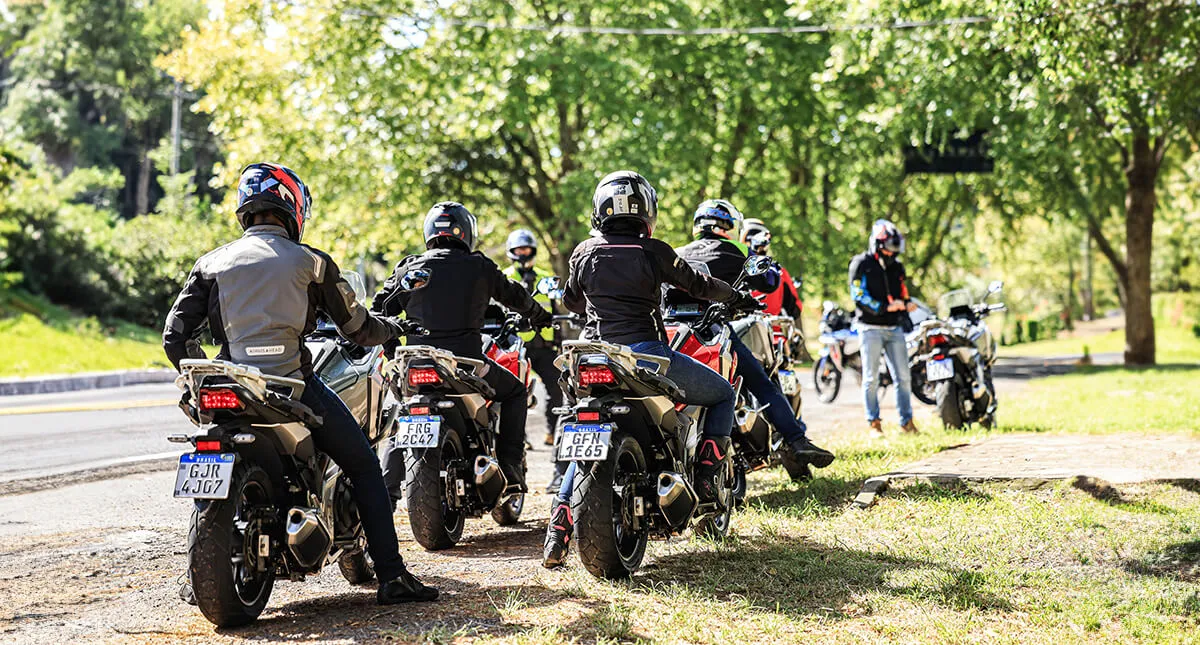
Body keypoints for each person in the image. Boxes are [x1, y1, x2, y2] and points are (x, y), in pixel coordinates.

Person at [162, 162, 437, 605]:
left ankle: (196, 576)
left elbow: (174, 337)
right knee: (366, 465)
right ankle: (391, 577)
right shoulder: (312, 262)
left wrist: (203, 371)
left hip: (228, 384)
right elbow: (357, 329)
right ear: (292, 208)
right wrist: (391, 328)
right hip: (293, 385)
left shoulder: (210, 263)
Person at [542, 171, 756, 569]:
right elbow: (699, 285)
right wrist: (734, 294)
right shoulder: (654, 251)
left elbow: (571, 301)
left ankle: (559, 521)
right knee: (724, 393)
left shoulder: (582, 252)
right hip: (647, 355)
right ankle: (709, 475)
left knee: (585, 439)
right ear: (646, 210)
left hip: (592, 356)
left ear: (599, 210)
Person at [373, 203, 553, 495]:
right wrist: (539, 314)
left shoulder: (410, 267)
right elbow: (514, 294)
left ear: (429, 232)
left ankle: (387, 493)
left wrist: (393, 350)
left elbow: (379, 311)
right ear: (468, 232)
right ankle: (510, 466)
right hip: (466, 364)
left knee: (401, 411)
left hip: (415, 365)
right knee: (516, 391)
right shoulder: (478, 266)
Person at [676, 200, 834, 482]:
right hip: (713, 329)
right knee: (762, 383)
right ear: (729, 226)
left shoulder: (678, 253)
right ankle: (796, 440)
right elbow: (770, 281)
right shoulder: (736, 249)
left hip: (676, 334)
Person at [849, 219, 919, 437]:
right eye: (889, 248)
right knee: (871, 379)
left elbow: (902, 290)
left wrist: (906, 304)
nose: (892, 254)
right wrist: (884, 307)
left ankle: (906, 423)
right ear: (878, 244)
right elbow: (858, 295)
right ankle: (874, 423)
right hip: (870, 328)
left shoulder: (897, 266)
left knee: (903, 377)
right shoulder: (861, 263)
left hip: (894, 329)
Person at [741, 218, 802, 319]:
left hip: (735, 330)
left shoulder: (731, 266)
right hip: (772, 332)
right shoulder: (777, 272)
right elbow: (795, 310)